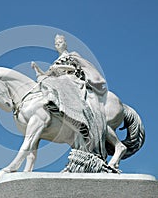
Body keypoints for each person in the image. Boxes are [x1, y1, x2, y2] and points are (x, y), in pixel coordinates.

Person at [32, 35, 126, 169]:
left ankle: (78, 113)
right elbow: (47, 74)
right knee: (47, 84)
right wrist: (37, 70)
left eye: (60, 42)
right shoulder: (55, 61)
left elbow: (78, 69)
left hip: (72, 81)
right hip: (60, 83)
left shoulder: (72, 55)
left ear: (65, 43)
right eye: (56, 43)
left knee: (58, 85)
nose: (58, 45)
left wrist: (61, 68)